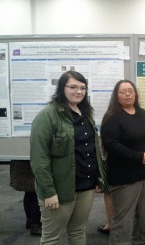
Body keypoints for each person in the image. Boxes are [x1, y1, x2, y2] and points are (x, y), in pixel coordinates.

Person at [30, 70, 105, 244]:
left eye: (82, 88)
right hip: (59, 189)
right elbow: (39, 159)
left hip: (85, 185)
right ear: (62, 88)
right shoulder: (47, 116)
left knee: (78, 231)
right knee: (51, 238)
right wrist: (49, 192)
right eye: (73, 87)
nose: (78, 92)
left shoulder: (85, 113)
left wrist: (97, 179)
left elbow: (91, 149)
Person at [101, 80, 145, 244]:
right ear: (116, 96)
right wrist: (137, 156)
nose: (127, 94)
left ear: (135, 93)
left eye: (130, 91)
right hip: (124, 177)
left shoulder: (141, 112)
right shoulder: (112, 117)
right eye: (123, 91)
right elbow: (111, 145)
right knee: (123, 222)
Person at [10, 160, 42, 236]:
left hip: (21, 162)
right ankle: (35, 225)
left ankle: (30, 221)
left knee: (29, 192)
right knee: (35, 193)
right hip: (33, 162)